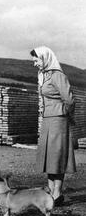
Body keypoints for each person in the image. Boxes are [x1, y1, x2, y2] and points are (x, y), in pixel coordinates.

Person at [31, 46, 76, 207]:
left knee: (57, 156)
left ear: (45, 58)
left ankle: (57, 192)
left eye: (36, 60)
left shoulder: (57, 75)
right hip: (48, 119)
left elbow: (69, 100)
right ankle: (50, 191)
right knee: (49, 156)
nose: (35, 63)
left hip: (58, 119)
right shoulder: (43, 75)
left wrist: (63, 113)